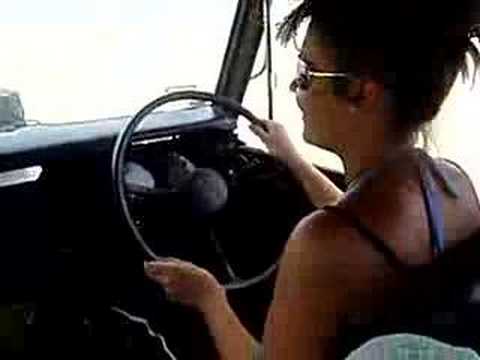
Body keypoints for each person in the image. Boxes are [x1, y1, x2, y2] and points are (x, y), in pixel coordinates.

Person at [146, 1, 480, 359]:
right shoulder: (453, 186)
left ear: (361, 91)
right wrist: (292, 159)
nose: (294, 85)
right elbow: (364, 228)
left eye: (308, 73)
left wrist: (209, 297)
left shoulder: (319, 246)